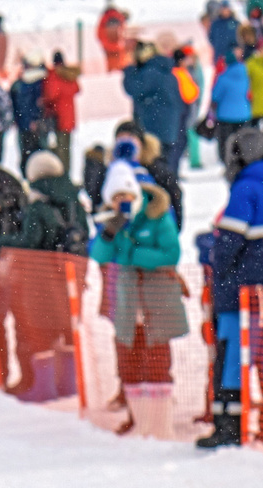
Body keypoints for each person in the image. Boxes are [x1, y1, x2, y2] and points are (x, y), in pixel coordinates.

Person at [201, 129, 263, 446]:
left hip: (241, 292)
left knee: (233, 354)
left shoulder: (246, 189)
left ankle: (229, 425)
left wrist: (214, 254)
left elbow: (229, 241)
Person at [93, 163, 188, 436]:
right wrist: (110, 232)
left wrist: (135, 257)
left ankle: (160, 425)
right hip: (128, 302)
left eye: (127, 196)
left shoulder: (157, 215)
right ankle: (139, 420)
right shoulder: (114, 221)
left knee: (157, 361)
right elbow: (99, 255)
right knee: (130, 362)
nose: (123, 202)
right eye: (116, 197)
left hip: (156, 300)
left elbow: (171, 254)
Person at [125, 41, 188, 167]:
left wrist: (129, 70)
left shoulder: (150, 73)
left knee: (155, 165)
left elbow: (133, 88)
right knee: (168, 166)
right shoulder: (166, 71)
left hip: (154, 126)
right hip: (169, 127)